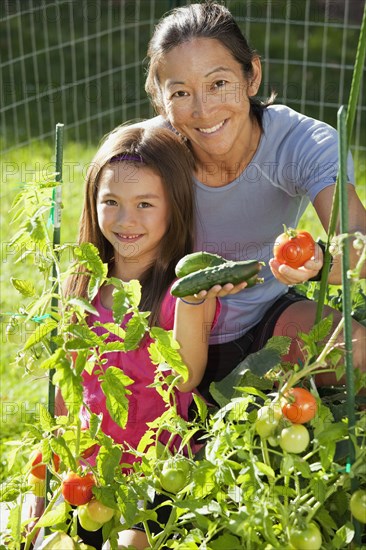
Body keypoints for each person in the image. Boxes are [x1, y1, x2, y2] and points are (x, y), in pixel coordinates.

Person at [136, 0, 366, 402]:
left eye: (219, 83)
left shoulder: (302, 144)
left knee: (358, 353)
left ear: (252, 75)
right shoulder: (145, 154)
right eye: (181, 92)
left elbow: (359, 245)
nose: (204, 109)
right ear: (159, 97)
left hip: (266, 320)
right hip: (168, 332)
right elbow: (99, 251)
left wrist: (316, 266)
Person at [27, 124, 225, 550]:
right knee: (44, 542)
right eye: (111, 202)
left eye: (145, 204)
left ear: (175, 207)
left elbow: (186, 377)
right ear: (93, 204)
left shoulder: (184, 292)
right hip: (91, 466)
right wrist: (42, 477)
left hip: (162, 470)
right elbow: (67, 395)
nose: (125, 219)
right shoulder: (82, 287)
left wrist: (190, 301)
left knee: (131, 545)